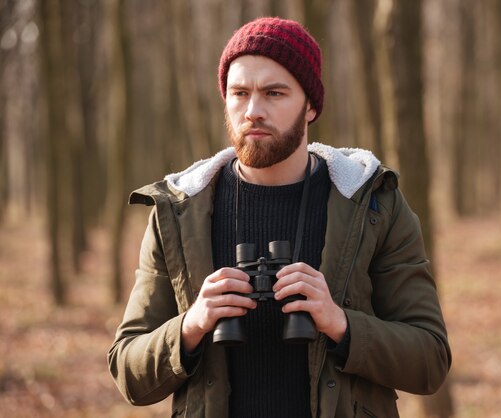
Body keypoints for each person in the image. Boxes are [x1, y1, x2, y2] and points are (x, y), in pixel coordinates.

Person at [108, 16, 451, 418]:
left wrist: (341, 324)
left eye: (274, 93)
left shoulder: (371, 204)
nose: (253, 111)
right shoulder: (180, 212)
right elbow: (128, 373)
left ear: (310, 106)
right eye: (239, 93)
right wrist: (190, 326)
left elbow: (429, 361)